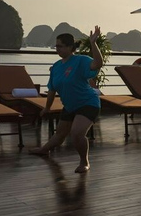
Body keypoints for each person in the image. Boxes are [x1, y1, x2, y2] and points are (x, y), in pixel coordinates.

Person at [29, 27, 104, 173]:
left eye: (60, 46)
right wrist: (47, 108)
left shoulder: (81, 60)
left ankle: (84, 162)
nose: (57, 49)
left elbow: (98, 64)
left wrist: (93, 43)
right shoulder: (56, 67)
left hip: (88, 103)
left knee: (76, 134)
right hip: (70, 106)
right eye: (56, 46)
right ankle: (44, 150)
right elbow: (52, 89)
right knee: (59, 135)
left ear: (70, 47)